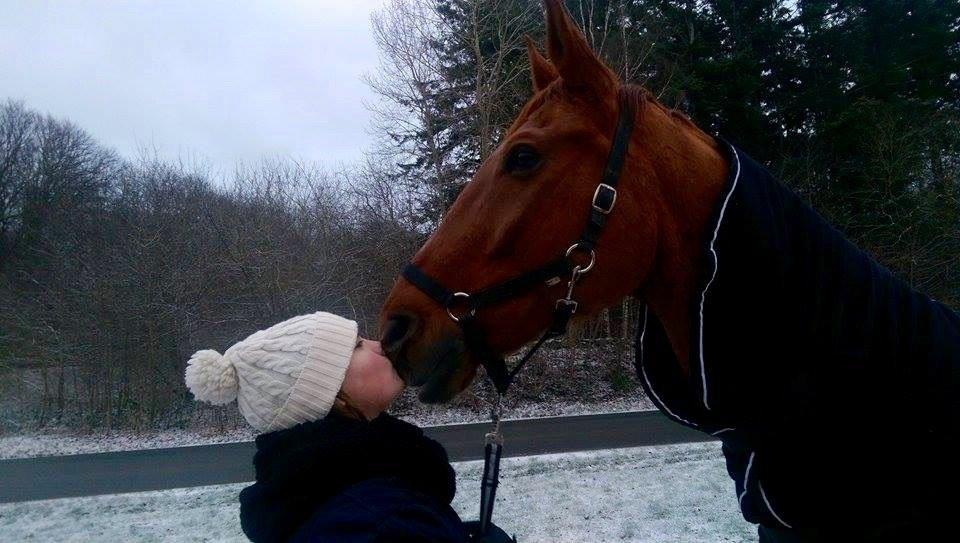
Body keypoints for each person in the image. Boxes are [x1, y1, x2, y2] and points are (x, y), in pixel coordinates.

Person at [185, 311, 514, 543]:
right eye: (357, 345)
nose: (378, 345)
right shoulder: (377, 524)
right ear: (328, 393)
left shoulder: (347, 500)